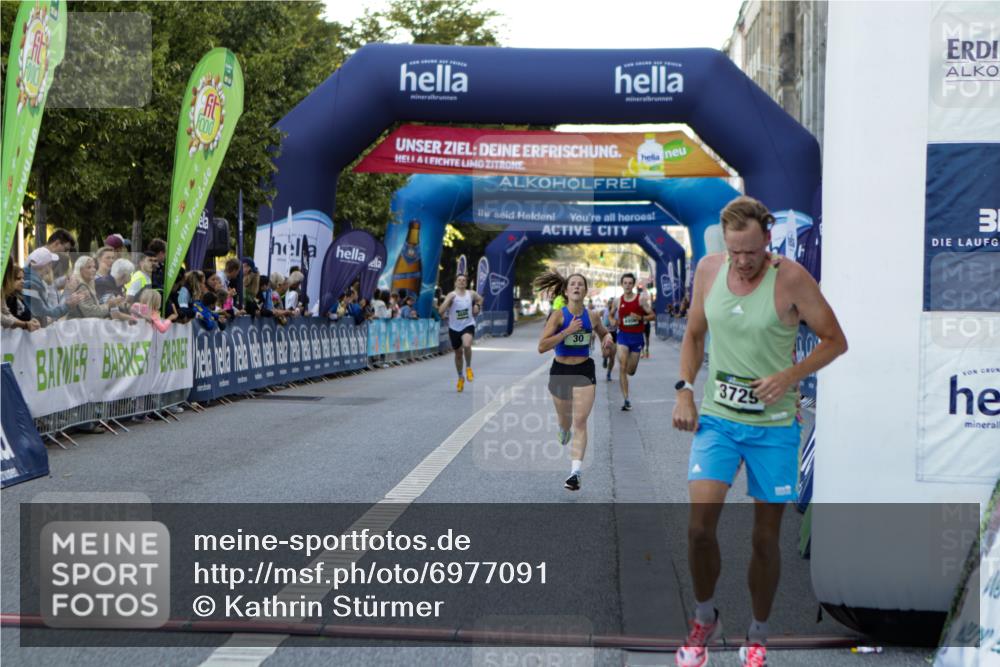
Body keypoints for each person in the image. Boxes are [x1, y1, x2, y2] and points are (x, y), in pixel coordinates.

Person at [671, 196, 848, 667]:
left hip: (773, 428)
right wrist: (684, 389)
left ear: (767, 240)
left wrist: (789, 377)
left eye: (751, 252)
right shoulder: (708, 270)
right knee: (698, 530)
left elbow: (836, 340)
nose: (743, 262)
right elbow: (692, 334)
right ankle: (705, 617)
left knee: (765, 541)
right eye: (735, 252)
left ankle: (758, 632)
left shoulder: (790, 278)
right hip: (719, 421)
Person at [534, 271, 614, 491]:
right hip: (560, 370)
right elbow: (542, 347)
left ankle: (575, 473)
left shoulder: (593, 316)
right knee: (566, 421)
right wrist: (566, 331)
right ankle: (562, 427)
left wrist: (607, 340)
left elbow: (604, 333)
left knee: (580, 422)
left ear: (585, 291)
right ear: (567, 291)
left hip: (584, 370)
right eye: (573, 284)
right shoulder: (558, 316)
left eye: (581, 284)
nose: (577, 287)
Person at [608, 273, 654, 411]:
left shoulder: (640, 300)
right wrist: (612, 321)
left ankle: (627, 372)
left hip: (637, 338)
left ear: (633, 285)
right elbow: (611, 314)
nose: (627, 285)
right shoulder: (617, 301)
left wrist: (641, 318)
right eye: (625, 283)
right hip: (623, 336)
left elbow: (652, 315)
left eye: (630, 283)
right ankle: (626, 399)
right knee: (622, 366)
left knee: (631, 370)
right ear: (621, 284)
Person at [438, 274, 483, 392]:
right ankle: (460, 377)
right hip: (454, 328)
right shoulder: (451, 295)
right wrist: (447, 302)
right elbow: (441, 310)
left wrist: (477, 305)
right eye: (459, 280)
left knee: (467, 344)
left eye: (464, 280)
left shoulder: (471, 294)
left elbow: (480, 299)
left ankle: (468, 367)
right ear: (455, 283)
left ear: (466, 283)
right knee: (458, 353)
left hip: (468, 325)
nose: (462, 282)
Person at [66, 256, 132, 321]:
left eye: (94, 267)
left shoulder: (89, 285)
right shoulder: (81, 287)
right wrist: (109, 305)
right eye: (89, 267)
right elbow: (90, 312)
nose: (93, 269)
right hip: (78, 327)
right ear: (80, 270)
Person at [2, 262, 40, 331]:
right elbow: (7, 317)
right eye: (18, 278)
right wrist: (26, 323)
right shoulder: (8, 297)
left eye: (23, 278)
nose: (23, 281)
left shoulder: (19, 295)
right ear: (8, 279)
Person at [600, 297, 618, 381]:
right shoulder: (604, 311)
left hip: (614, 334)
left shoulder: (618, 311)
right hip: (606, 333)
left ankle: (608, 373)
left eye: (613, 303)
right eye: (610, 303)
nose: (611, 304)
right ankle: (604, 358)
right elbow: (597, 318)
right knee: (606, 353)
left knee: (612, 356)